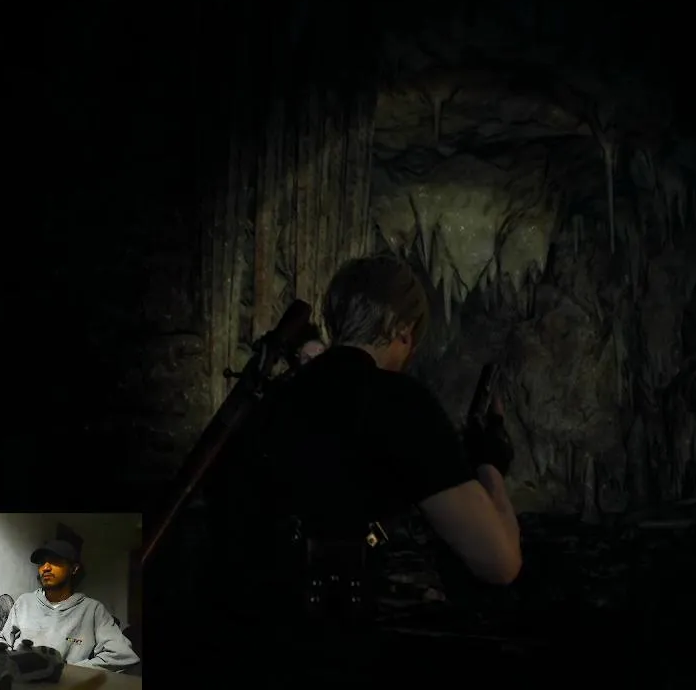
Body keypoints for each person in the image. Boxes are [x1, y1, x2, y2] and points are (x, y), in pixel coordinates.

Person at [219, 254, 522, 635]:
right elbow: (499, 562)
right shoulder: (401, 404)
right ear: (403, 330)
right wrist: (490, 463)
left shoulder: (273, 400)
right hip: (356, 640)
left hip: (263, 633)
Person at [0, 539, 140, 671]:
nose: (45, 568)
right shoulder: (24, 602)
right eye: (42, 562)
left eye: (55, 561)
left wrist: (67, 672)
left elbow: (122, 655)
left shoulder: (93, 610)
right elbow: (2, 641)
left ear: (74, 568)